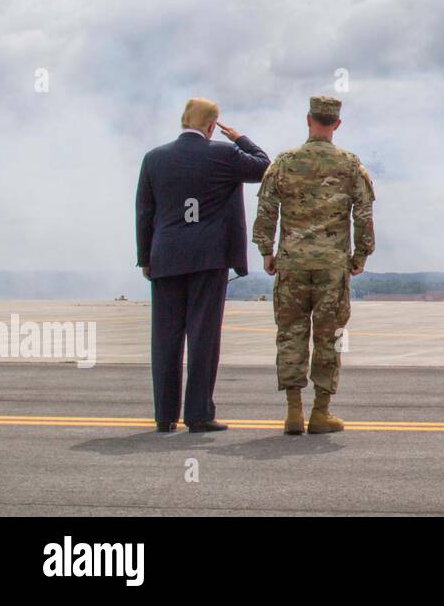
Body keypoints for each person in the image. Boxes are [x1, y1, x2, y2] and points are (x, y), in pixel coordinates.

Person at [136, 98, 270, 432]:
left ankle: (165, 416)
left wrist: (145, 258)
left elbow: (144, 213)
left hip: (165, 256)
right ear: (212, 127)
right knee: (203, 337)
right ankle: (198, 414)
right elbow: (264, 166)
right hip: (208, 258)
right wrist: (239, 138)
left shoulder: (153, 158)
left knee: (165, 338)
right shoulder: (223, 155)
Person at [253, 96, 375, 434]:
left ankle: (294, 411)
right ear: (336, 124)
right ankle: (321, 412)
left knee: (291, 335)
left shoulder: (284, 161)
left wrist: (267, 251)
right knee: (329, 337)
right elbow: (363, 214)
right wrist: (360, 256)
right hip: (332, 268)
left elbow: (266, 209)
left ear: (308, 119)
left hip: (291, 264)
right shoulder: (350, 165)